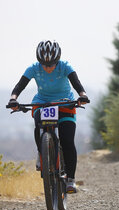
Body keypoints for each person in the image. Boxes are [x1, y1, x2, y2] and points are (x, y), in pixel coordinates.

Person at [7, 40, 90, 193]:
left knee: (67, 140)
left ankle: (70, 179)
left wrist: (82, 95)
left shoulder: (65, 66)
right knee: (39, 126)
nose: (48, 68)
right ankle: (42, 152)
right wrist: (13, 98)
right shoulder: (33, 68)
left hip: (65, 102)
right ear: (39, 62)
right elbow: (20, 86)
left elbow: (76, 83)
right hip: (42, 102)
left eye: (52, 64)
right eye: (45, 65)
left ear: (57, 60)